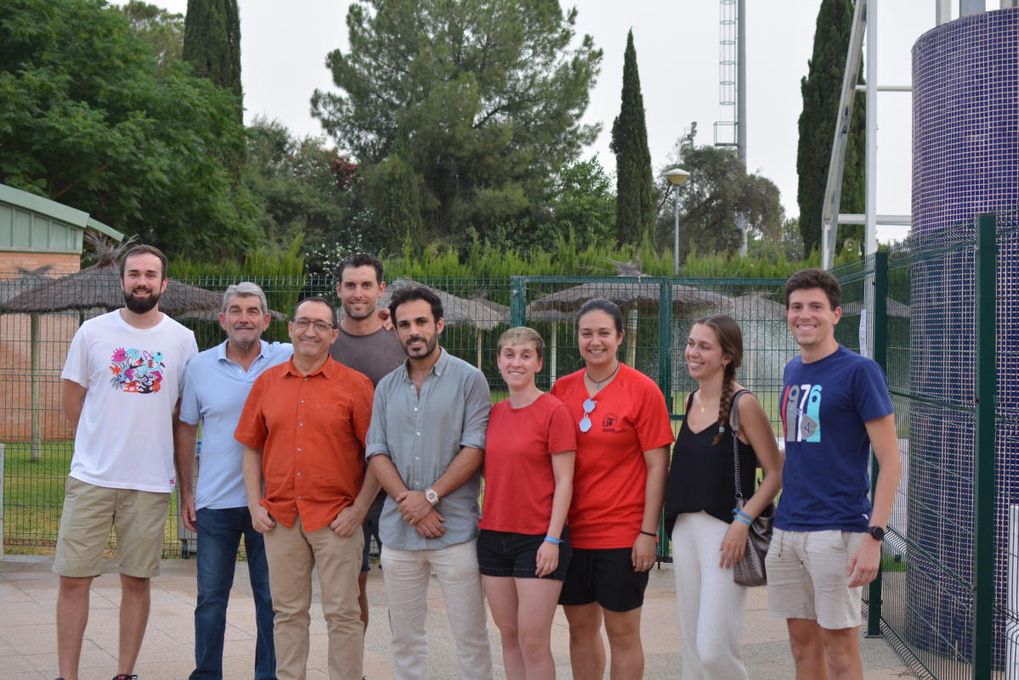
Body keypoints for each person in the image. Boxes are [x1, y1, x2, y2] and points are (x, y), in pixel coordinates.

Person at [55, 244, 198, 680]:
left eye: (150, 275)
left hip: (149, 483)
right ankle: (67, 675)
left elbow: (182, 417)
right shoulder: (92, 332)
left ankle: (125, 673)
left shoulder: (182, 340)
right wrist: (98, 443)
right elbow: (72, 400)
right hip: (92, 478)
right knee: (73, 579)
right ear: (122, 280)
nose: (141, 281)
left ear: (163, 284)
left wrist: (186, 487)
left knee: (136, 581)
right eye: (134, 273)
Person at [767, 269, 900, 680]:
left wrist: (874, 536)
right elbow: (802, 448)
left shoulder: (860, 372)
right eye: (796, 307)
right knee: (802, 648)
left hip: (838, 531)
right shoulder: (792, 370)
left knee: (840, 653)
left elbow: (890, 461)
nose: (804, 315)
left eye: (816, 307)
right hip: (788, 527)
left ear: (836, 314)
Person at [236, 297, 377, 680]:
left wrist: (359, 511)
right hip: (281, 518)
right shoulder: (267, 383)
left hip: (337, 521)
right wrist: (254, 504)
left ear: (334, 334)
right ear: (290, 329)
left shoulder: (356, 386)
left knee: (343, 613)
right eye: (303, 323)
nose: (310, 331)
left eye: (320, 325)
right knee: (287, 613)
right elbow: (251, 446)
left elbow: (378, 456)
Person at [366, 286, 493, 680]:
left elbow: (475, 447)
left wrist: (431, 497)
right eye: (404, 324)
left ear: (439, 325)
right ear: (395, 330)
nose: (413, 331)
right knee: (405, 639)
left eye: (421, 322)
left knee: (471, 637)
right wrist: (411, 503)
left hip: (454, 531)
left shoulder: (470, 379)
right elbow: (376, 451)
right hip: (400, 533)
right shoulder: (386, 387)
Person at [550, 298, 674, 680]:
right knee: (580, 630)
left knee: (622, 634)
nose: (595, 341)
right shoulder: (561, 389)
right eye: (586, 333)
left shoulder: (643, 390)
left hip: (622, 535)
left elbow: (658, 467)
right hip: (572, 535)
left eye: (604, 333)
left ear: (620, 336)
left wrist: (648, 533)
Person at [177, 282, 292, 680]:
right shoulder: (199, 367)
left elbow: (329, 336)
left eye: (252, 311)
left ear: (267, 320)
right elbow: (186, 428)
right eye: (236, 311)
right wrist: (187, 491)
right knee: (210, 599)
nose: (245, 318)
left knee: (271, 599)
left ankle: (269, 676)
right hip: (215, 503)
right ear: (222, 319)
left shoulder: (286, 358)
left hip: (271, 503)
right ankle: (207, 674)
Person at [663, 315, 783, 679]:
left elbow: (776, 472)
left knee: (714, 650)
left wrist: (742, 522)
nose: (692, 352)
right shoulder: (692, 399)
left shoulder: (743, 404)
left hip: (725, 534)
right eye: (690, 343)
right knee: (692, 649)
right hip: (684, 530)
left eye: (704, 346)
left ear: (726, 356)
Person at [478, 327, 576, 680]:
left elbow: (565, 481)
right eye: (509, 354)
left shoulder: (554, 411)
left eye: (525, 355)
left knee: (533, 641)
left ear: (538, 363)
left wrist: (552, 538)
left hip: (537, 538)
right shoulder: (493, 413)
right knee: (508, 636)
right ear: (498, 361)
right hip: (493, 536)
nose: (515, 362)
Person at [329, 253, 405, 634]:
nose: (358, 293)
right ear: (338, 290)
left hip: (397, 487)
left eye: (366, 285)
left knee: (402, 586)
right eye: (350, 285)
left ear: (381, 289)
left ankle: (407, 662)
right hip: (343, 488)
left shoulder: (401, 339)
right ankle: (353, 662)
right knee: (351, 587)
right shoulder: (325, 339)